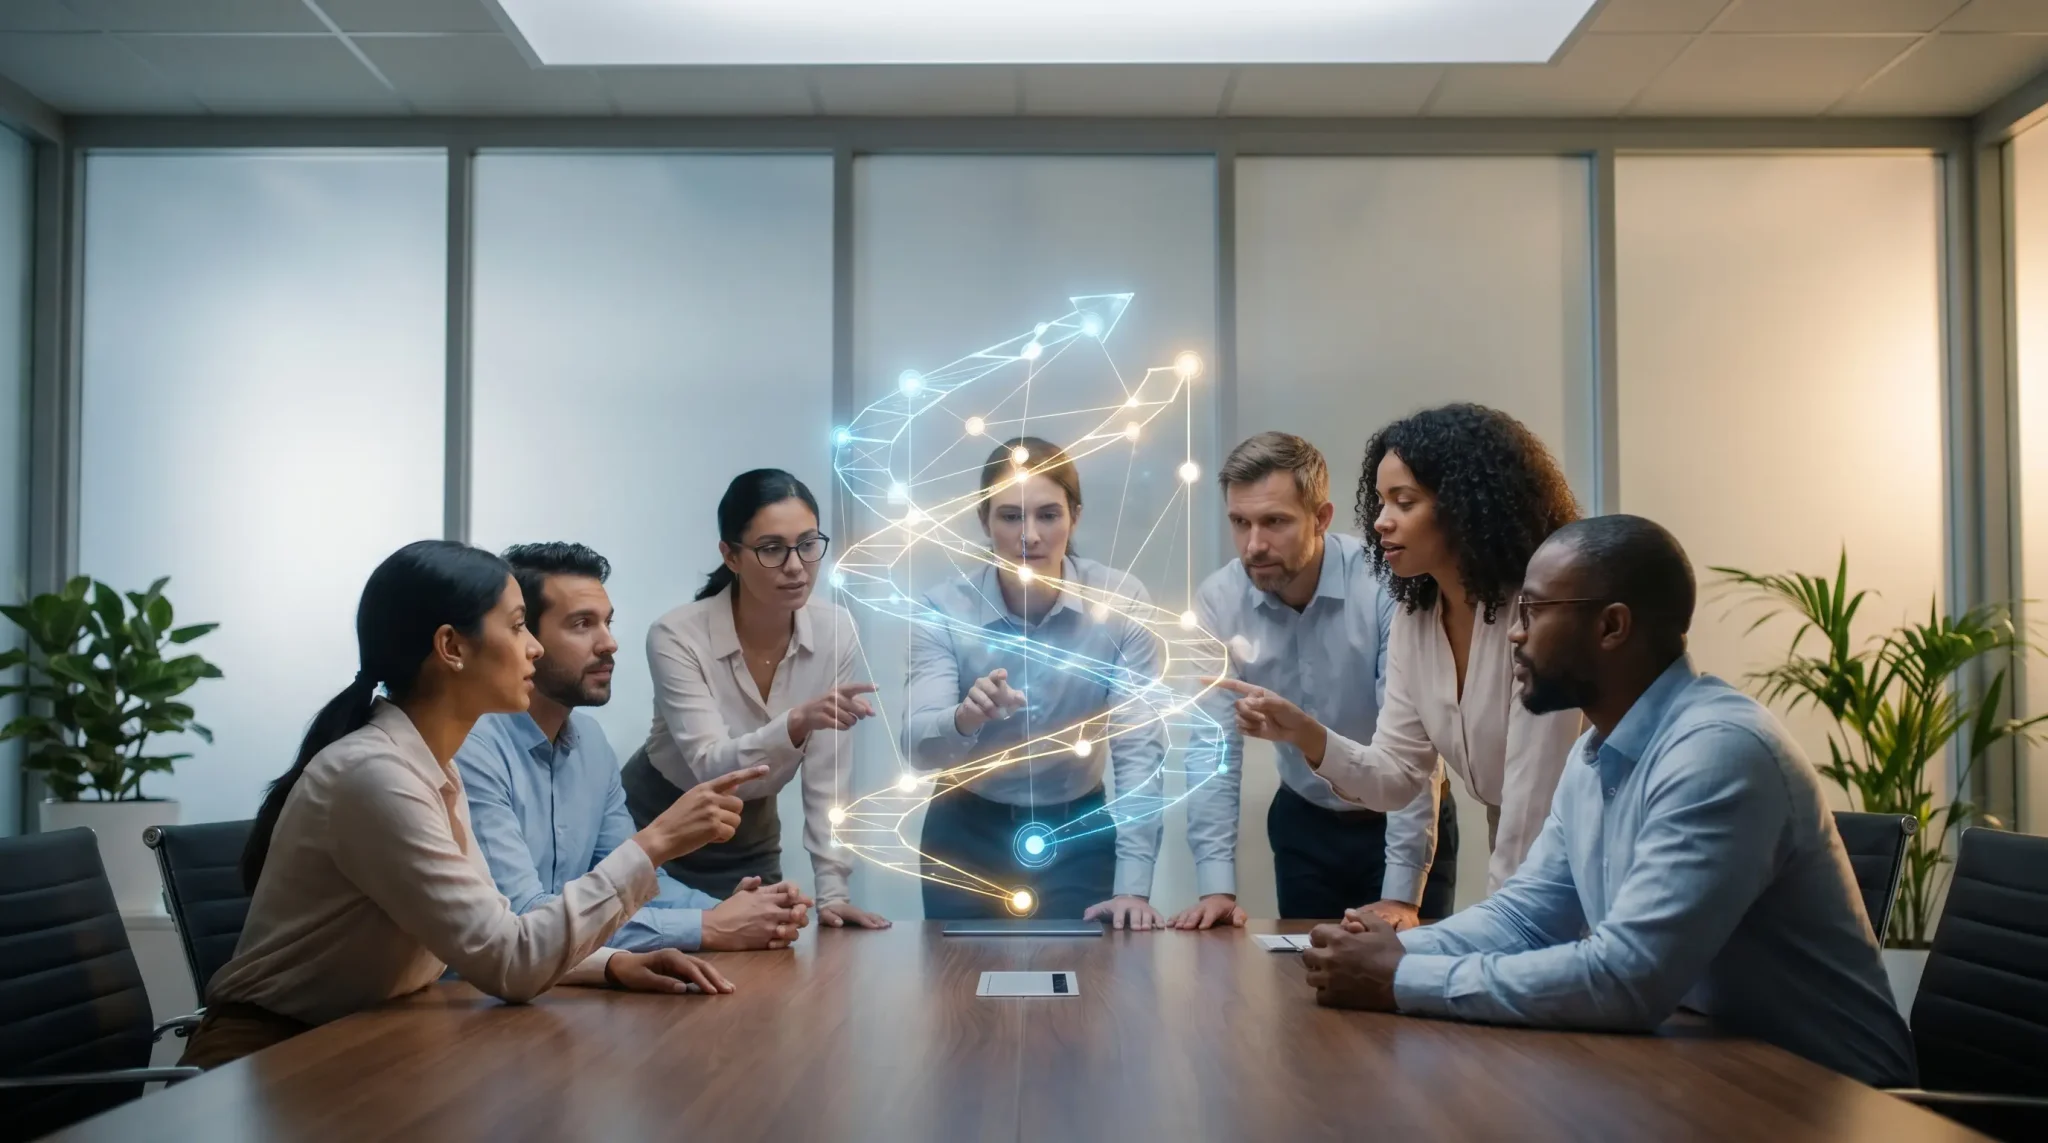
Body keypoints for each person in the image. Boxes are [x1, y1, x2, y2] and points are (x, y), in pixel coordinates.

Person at [1298, 515, 1918, 1089]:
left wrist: (1400, 976)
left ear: (1612, 626)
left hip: (1832, 1098)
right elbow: (1526, 919)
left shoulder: (1720, 753)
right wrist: (1387, 952)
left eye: (1533, 611)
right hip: (1710, 1067)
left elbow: (1627, 978)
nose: (1514, 633)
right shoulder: (1596, 749)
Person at [184, 541, 763, 1069]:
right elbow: (510, 964)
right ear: (451, 647)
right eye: (517, 628)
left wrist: (609, 963)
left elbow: (495, 933)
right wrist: (656, 843)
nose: (533, 647)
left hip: (369, 1038)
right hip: (274, 1056)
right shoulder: (376, 776)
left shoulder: (433, 765)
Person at [1211, 403, 1582, 893]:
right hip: (1519, 849)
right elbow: (1396, 775)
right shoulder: (1417, 614)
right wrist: (1308, 735)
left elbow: (1534, 809)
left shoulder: (1542, 614)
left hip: (1588, 845)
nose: (1381, 522)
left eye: (1403, 502)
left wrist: (1476, 941)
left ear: (1468, 505)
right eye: (1381, 501)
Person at [457, 542, 811, 954]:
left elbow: (630, 885)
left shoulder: (590, 744)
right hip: (468, 1003)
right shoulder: (473, 747)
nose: (609, 643)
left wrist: (737, 910)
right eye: (582, 624)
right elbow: (528, 920)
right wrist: (707, 925)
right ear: (525, 637)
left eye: (607, 622)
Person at [1169, 433, 1456, 932]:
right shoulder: (1218, 600)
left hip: (1403, 819)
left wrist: (1402, 895)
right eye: (1240, 522)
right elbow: (1210, 751)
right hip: (1304, 821)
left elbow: (1414, 748)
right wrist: (1217, 887)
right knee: (1305, 985)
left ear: (1321, 518)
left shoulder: (1386, 586)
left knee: (1411, 987)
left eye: (1275, 522)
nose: (1253, 545)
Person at [904, 436, 1172, 926]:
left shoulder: (1119, 601)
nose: (1029, 535)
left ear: (1075, 517)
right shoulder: (942, 609)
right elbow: (919, 748)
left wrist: (1134, 887)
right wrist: (965, 719)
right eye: (1010, 516)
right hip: (963, 833)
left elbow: (1139, 750)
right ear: (984, 521)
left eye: (1048, 515)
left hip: (1078, 831)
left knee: (1084, 991)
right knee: (956, 994)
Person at [621, 470, 891, 930]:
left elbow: (829, 776)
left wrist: (832, 893)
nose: (795, 565)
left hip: (750, 831)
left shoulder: (836, 629)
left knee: (763, 966)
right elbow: (710, 765)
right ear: (731, 555)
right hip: (656, 825)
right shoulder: (677, 634)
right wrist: (795, 724)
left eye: (808, 544)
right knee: (661, 967)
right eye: (771, 549)